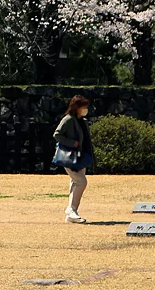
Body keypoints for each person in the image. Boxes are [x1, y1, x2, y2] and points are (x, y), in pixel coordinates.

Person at [53, 95, 94, 224]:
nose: (85, 109)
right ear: (77, 107)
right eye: (84, 107)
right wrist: (72, 143)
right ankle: (71, 210)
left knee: (76, 182)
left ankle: (72, 212)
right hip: (70, 156)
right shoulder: (68, 119)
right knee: (81, 181)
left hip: (80, 156)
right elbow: (57, 134)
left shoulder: (81, 120)